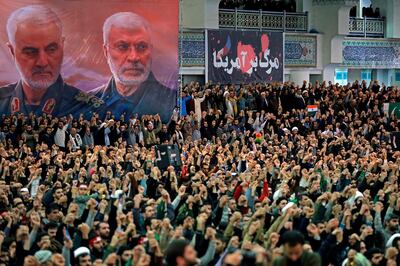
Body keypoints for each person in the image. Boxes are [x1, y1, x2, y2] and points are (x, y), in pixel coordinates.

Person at [0, 5, 103, 117]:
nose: (42, 62)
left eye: (51, 50)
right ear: (12, 52)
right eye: (30, 52)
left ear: (62, 46)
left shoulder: (90, 109)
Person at [90, 12, 176, 122]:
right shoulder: (85, 104)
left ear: (151, 50)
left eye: (141, 47)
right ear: (106, 52)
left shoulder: (172, 103)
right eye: (122, 47)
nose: (134, 57)